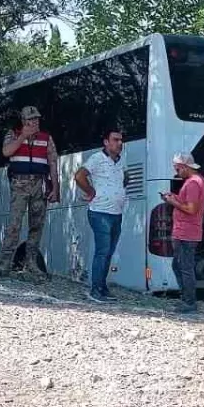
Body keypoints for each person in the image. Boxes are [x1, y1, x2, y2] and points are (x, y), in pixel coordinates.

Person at [0, 105, 59, 274]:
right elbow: (6, 151)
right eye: (31, 120)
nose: (35, 122)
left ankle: (31, 262)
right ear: (23, 121)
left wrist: (55, 187)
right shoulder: (13, 135)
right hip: (19, 184)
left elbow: (53, 163)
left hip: (39, 185)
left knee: (37, 225)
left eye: (36, 119)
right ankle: (5, 263)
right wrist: (22, 137)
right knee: (14, 224)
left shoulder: (46, 138)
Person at [75, 128, 127, 302]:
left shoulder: (121, 160)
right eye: (115, 140)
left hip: (116, 213)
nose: (120, 143)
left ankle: (102, 288)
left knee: (109, 252)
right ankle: (95, 290)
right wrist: (91, 191)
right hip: (100, 213)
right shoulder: (97, 159)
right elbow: (79, 176)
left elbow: (125, 178)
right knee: (102, 251)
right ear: (106, 142)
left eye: (121, 140)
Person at [160, 152, 204, 314]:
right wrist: (173, 197)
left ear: (186, 167)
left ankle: (189, 303)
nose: (176, 173)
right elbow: (187, 203)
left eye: (178, 169)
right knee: (179, 265)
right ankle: (187, 300)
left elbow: (191, 209)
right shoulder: (196, 181)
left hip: (186, 231)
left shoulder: (193, 183)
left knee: (184, 267)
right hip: (187, 231)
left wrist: (172, 202)